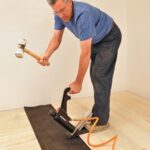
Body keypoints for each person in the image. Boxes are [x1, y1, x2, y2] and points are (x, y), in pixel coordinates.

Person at [38, 0, 122, 131]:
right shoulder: (59, 14)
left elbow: (85, 53)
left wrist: (78, 82)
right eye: (56, 11)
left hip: (109, 38)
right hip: (95, 39)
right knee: (95, 75)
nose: (61, 15)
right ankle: (99, 112)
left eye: (62, 10)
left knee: (99, 75)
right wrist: (47, 55)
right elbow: (56, 39)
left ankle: (101, 121)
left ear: (69, 2)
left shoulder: (83, 15)